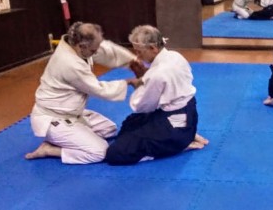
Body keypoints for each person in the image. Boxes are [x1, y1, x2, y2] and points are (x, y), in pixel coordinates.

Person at [25, 22, 143, 164]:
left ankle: (73, 138)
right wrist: (128, 82)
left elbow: (106, 50)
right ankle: (50, 149)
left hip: (73, 113)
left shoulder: (75, 44)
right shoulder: (70, 64)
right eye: (94, 50)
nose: (97, 51)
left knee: (109, 129)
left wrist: (132, 61)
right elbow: (98, 89)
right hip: (54, 119)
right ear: (82, 46)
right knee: (100, 152)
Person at [105, 25, 209, 165]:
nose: (137, 56)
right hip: (189, 115)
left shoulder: (157, 74)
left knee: (114, 154)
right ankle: (187, 134)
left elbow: (141, 106)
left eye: (139, 52)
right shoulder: (175, 56)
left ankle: (180, 145)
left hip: (174, 128)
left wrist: (141, 80)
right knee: (129, 124)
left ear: (153, 48)